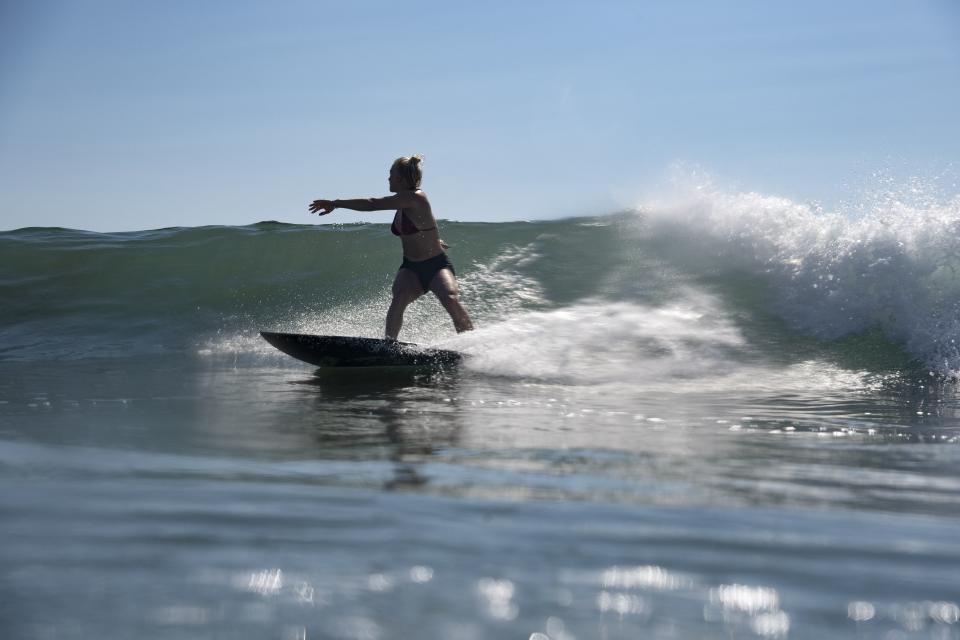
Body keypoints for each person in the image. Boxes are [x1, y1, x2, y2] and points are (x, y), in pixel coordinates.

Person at [309, 155, 474, 340]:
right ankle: (389, 346)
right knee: (399, 299)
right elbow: (424, 226)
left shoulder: (416, 198)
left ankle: (471, 344)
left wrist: (336, 203)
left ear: (400, 179)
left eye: (391, 174)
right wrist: (434, 238)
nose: (388, 178)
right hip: (411, 267)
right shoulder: (402, 204)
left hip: (436, 265)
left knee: (449, 298)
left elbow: (373, 204)